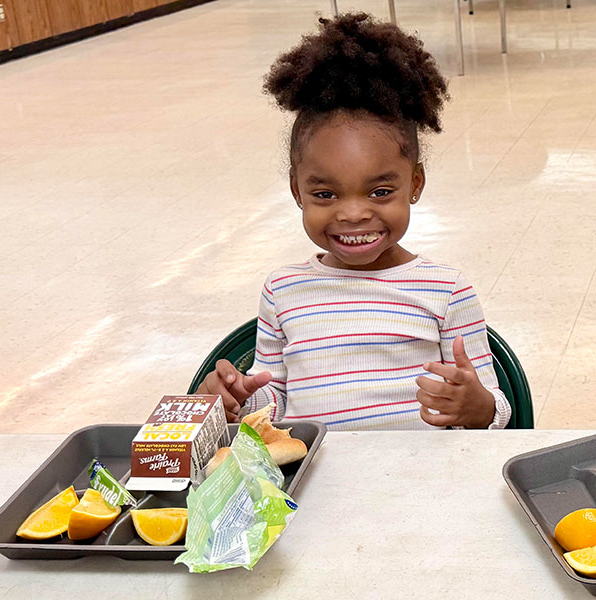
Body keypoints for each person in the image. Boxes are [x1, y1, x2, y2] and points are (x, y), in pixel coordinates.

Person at [198, 12, 511, 431]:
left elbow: (493, 406)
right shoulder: (282, 291)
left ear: (414, 184)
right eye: (325, 194)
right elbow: (274, 398)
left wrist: (478, 407)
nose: (352, 213)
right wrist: (236, 396)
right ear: (297, 191)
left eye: (380, 192)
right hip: (311, 488)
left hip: (422, 482)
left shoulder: (446, 291)